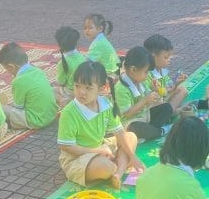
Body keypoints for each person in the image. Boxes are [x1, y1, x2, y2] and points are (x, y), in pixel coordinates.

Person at [57, 61, 144, 189]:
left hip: (100, 148)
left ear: (102, 89)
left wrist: (133, 157)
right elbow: (66, 146)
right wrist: (97, 151)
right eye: (77, 86)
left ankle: (118, 173)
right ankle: (118, 165)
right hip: (76, 159)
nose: (81, 92)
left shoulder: (105, 104)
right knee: (106, 167)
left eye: (88, 88)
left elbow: (119, 132)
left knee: (130, 136)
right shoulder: (69, 113)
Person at [116, 46, 173, 141]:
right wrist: (145, 100)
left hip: (145, 116)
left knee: (167, 108)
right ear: (133, 70)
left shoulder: (140, 81)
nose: (147, 75)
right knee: (137, 128)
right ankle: (160, 131)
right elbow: (127, 114)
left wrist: (155, 90)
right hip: (131, 123)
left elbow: (150, 100)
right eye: (146, 72)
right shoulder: (121, 88)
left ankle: (152, 131)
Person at [0, 42, 58, 130]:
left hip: (37, 121)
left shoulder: (18, 81)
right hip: (52, 115)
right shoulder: (38, 71)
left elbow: (19, 108)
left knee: (0, 108)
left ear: (11, 67)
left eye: (6, 69)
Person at [143, 34, 188, 111]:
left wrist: (176, 84)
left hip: (163, 98)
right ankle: (171, 111)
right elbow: (150, 98)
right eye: (166, 57)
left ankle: (171, 110)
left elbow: (168, 88)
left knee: (182, 90)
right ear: (153, 56)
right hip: (153, 104)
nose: (169, 59)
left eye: (170, 57)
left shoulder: (162, 70)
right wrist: (165, 91)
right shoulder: (146, 74)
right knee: (160, 103)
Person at [54, 26, 86, 106]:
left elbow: (60, 82)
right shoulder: (82, 56)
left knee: (50, 90)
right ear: (76, 42)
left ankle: (68, 102)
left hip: (71, 91)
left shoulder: (63, 62)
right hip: (84, 90)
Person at [84, 13, 120, 77]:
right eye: (85, 28)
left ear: (100, 29)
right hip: (115, 71)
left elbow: (86, 63)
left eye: (90, 28)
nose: (87, 30)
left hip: (109, 75)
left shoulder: (97, 44)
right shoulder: (101, 39)